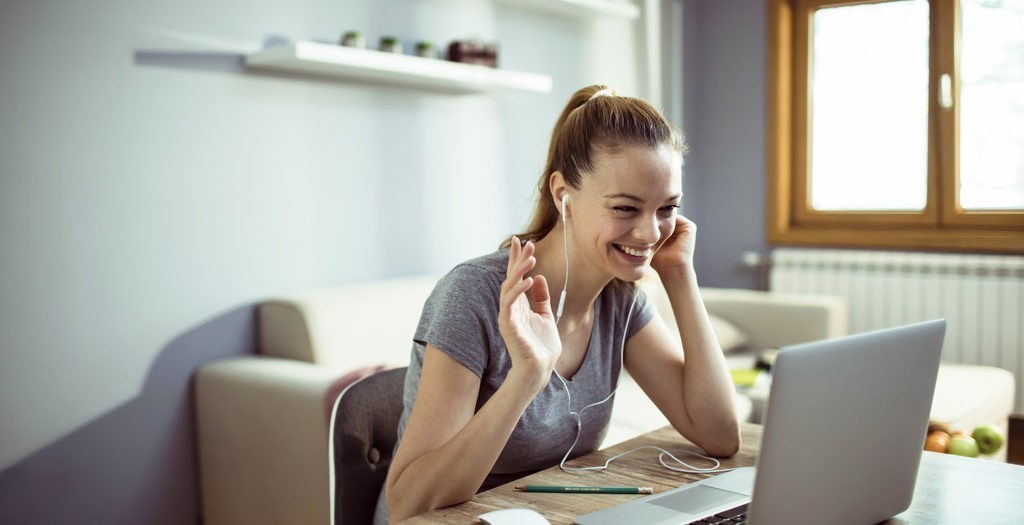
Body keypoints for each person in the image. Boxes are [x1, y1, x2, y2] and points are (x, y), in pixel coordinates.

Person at [377, 85, 740, 524]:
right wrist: (526, 377)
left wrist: (681, 277)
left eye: (667, 208)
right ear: (562, 193)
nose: (649, 233)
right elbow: (407, 504)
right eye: (625, 208)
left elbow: (719, 435)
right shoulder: (473, 295)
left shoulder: (620, 301)